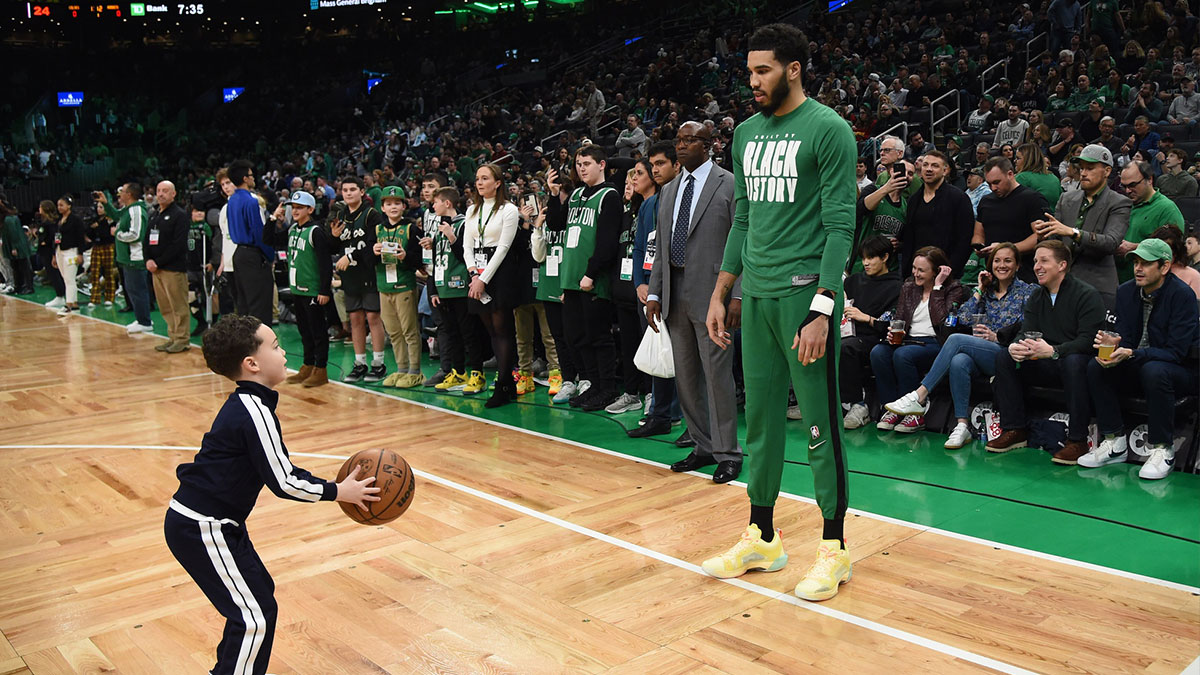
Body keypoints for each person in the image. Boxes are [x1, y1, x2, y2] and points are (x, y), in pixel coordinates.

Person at [702, 24, 858, 602]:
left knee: (819, 425)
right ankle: (763, 537)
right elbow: (742, 218)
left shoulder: (830, 130)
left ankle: (835, 548)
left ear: (793, 69)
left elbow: (843, 224)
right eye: (749, 72)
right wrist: (723, 290)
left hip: (805, 297)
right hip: (759, 295)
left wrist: (823, 309)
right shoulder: (744, 134)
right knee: (762, 423)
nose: (753, 81)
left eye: (762, 70)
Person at [164, 314, 379, 675]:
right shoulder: (253, 410)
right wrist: (339, 491)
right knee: (253, 618)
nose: (283, 353)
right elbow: (284, 480)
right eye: (276, 347)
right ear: (252, 364)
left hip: (216, 524)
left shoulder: (251, 404)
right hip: (203, 527)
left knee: (259, 598)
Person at [645, 120, 742, 483]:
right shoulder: (668, 189)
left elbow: (742, 241)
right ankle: (702, 445)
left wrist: (737, 295)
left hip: (715, 293)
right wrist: (655, 292)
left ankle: (728, 452)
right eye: (679, 140)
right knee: (686, 376)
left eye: (690, 141)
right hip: (674, 291)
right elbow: (662, 247)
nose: (682, 146)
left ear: (710, 145)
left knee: (717, 377)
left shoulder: (729, 183)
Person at [885, 243, 1035, 447]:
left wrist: (997, 337)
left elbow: (1029, 325)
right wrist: (980, 290)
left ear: (1017, 266)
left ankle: (919, 396)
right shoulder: (986, 292)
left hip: (1008, 354)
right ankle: (962, 425)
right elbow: (961, 317)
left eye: (1008, 261)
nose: (1001, 265)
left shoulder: (1029, 291)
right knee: (959, 361)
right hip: (981, 353)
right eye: (997, 261)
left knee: (955, 340)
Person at [1079, 238, 1198, 479]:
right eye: (1135, 262)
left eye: (1146, 263)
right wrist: (1113, 346)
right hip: (1140, 362)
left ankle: (1162, 449)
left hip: (1180, 370)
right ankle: (1114, 441)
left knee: (1155, 370)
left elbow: (1176, 352)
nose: (1138, 269)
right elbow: (1126, 337)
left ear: (1164, 267)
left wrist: (1132, 353)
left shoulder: (1182, 296)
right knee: (1096, 366)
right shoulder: (1126, 291)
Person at [986, 240, 1106, 463]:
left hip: (1074, 361)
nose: (1037, 266)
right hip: (1045, 359)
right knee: (1004, 356)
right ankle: (1015, 430)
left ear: (1061, 265)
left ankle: (1077, 440)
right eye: (1035, 261)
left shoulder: (1086, 294)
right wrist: (1016, 345)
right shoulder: (1036, 296)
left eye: (1043, 261)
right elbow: (1026, 331)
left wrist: (1055, 350)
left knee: (1075, 362)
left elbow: (1089, 341)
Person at [544, 146, 622, 411]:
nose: (581, 168)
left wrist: (590, 274)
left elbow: (608, 242)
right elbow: (555, 225)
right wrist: (554, 196)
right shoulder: (576, 194)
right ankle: (593, 385)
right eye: (578, 164)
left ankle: (608, 388)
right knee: (577, 337)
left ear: (601, 164)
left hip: (593, 281)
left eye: (587, 163)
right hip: (571, 280)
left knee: (599, 336)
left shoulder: (609, 195)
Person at [871, 246, 965, 432]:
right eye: (914, 268)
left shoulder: (954, 290)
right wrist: (894, 332)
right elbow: (900, 318)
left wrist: (937, 287)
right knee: (878, 352)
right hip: (909, 339)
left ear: (937, 271)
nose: (915, 273)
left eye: (921, 270)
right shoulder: (908, 287)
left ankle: (914, 414)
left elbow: (941, 321)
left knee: (903, 355)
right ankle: (891, 408)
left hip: (936, 343)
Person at [629, 141, 684, 436]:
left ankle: (680, 413)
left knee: (683, 356)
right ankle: (659, 413)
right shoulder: (650, 203)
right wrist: (641, 282)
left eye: (661, 163)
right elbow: (640, 248)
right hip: (650, 289)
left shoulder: (685, 199)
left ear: (677, 165)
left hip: (677, 288)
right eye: (652, 165)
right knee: (657, 352)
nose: (655, 170)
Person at [1033, 144, 1130, 308]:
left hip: (1098, 286)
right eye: (1082, 168)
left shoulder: (1119, 202)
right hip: (1062, 284)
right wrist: (1044, 235)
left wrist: (1073, 232)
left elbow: (1110, 243)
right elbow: (1055, 242)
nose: (1083, 173)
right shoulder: (1066, 199)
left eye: (1090, 168)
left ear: (1107, 171)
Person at [463, 164, 522, 407]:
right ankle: (506, 381)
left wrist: (484, 278)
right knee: (490, 330)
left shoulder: (509, 209)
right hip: (477, 270)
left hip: (499, 272)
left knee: (502, 329)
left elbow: (503, 248)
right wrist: (473, 273)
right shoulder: (472, 210)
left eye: (485, 178)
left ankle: (504, 383)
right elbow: (467, 245)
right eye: (477, 178)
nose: (479, 182)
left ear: (497, 182)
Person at [425, 186, 484, 393]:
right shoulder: (439, 227)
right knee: (451, 334)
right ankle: (458, 372)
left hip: (460, 288)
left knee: (469, 333)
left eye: (436, 201)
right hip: (443, 290)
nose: (433, 205)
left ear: (447, 203)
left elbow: (465, 256)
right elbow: (433, 262)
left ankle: (477, 373)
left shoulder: (462, 225)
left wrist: (452, 238)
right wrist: (433, 290)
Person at [839, 235, 901, 429]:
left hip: (875, 338)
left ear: (884, 257)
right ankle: (816, 400)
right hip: (846, 331)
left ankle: (857, 404)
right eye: (863, 257)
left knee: (847, 347)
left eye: (871, 258)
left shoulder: (897, 286)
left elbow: (892, 322)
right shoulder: (853, 281)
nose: (865, 262)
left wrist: (865, 317)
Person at [607, 164, 653, 415]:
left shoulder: (648, 209)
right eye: (627, 180)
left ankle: (650, 393)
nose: (630, 183)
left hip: (643, 290)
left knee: (648, 346)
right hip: (624, 290)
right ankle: (631, 392)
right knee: (628, 345)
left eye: (635, 178)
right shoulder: (625, 213)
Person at [369, 185, 425, 388]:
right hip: (384, 285)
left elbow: (420, 259)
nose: (393, 207)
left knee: (409, 330)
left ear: (404, 206)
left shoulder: (411, 228)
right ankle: (401, 368)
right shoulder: (377, 230)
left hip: (404, 286)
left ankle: (415, 371)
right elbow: (369, 259)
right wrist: (373, 252)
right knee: (393, 331)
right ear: (382, 207)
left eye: (397, 203)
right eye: (388, 204)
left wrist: (405, 256)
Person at [334, 176, 387, 384]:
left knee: (373, 318)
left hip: (368, 272)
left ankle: (379, 363)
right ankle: (359, 363)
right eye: (345, 190)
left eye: (352, 189)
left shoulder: (371, 215)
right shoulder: (341, 216)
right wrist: (332, 235)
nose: (348, 193)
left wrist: (352, 257)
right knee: (355, 319)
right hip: (350, 275)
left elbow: (375, 245)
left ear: (362, 191)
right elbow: (334, 246)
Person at [277, 191, 333, 388]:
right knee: (304, 330)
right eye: (294, 207)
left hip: (313, 290)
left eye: (300, 208)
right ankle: (308, 365)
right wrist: (273, 219)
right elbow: (270, 239)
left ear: (310, 209)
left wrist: (324, 290)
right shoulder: (292, 228)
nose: (296, 211)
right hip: (296, 288)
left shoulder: (316, 231)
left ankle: (321, 369)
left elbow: (326, 263)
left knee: (317, 331)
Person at [900, 150, 975, 276]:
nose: (929, 169)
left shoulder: (958, 198)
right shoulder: (913, 199)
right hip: (915, 272)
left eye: (935, 166)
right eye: (925, 165)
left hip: (945, 272)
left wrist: (951, 271)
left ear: (945, 171)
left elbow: (964, 239)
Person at [975, 157, 1050, 281]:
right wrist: (980, 247)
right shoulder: (985, 201)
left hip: (1024, 274)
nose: (993, 188)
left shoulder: (1032, 199)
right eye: (989, 184)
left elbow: (1041, 236)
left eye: (997, 182)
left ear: (1010, 174)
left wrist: (1006, 249)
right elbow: (978, 233)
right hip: (993, 274)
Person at [1115, 161, 1185, 284]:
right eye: (1124, 186)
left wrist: (1135, 247)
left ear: (1150, 180)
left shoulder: (1167, 209)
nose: (1127, 191)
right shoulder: (1122, 205)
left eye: (1132, 185)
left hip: (1149, 285)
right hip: (1118, 282)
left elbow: (1174, 250)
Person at [226, 160, 275, 326]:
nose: (253, 178)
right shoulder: (251, 201)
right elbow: (258, 233)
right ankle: (262, 347)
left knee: (243, 305)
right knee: (259, 305)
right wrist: (270, 255)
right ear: (245, 179)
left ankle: (245, 345)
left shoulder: (231, 200)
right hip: (253, 255)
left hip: (238, 254)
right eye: (251, 175)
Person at [100, 185, 153, 333]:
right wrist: (105, 203)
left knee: (138, 291)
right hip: (127, 258)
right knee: (132, 290)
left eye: (122, 192)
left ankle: (145, 322)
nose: (119, 194)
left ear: (129, 194)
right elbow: (116, 215)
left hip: (135, 258)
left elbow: (136, 234)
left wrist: (117, 233)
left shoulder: (136, 210)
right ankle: (141, 318)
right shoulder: (129, 209)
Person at [145, 181, 191, 351]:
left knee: (178, 305)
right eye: (158, 191)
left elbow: (178, 244)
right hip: (156, 269)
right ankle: (172, 336)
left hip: (173, 268)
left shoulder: (179, 215)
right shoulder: (154, 214)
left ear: (174, 194)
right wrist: (148, 260)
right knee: (165, 306)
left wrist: (158, 261)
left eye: (165, 191)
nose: (161, 194)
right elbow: (146, 240)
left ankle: (181, 339)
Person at [52, 195, 86, 316]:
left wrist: (80, 254)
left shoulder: (76, 220)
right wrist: (54, 255)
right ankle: (75, 304)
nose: (59, 207)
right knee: (65, 278)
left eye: (62, 205)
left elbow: (80, 238)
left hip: (71, 251)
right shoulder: (59, 221)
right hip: (60, 251)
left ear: (69, 205)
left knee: (69, 279)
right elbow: (56, 238)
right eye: (58, 205)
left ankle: (69, 304)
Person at [85, 196, 118, 306]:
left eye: (101, 207)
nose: (99, 209)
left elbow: (108, 233)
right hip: (96, 246)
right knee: (94, 272)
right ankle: (94, 298)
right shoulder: (94, 220)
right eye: (98, 207)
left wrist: (98, 227)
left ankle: (110, 297)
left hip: (108, 246)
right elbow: (88, 232)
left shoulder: (110, 220)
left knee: (108, 272)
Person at [35, 200, 66, 308]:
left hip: (50, 251)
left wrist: (53, 250)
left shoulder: (52, 223)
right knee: (51, 273)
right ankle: (60, 295)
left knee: (54, 273)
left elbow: (57, 237)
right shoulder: (44, 222)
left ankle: (60, 296)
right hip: (45, 251)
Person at [1, 195, 33, 294]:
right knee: (15, 266)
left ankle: (29, 287)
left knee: (24, 266)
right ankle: (18, 286)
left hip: (18, 246)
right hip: (12, 245)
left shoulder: (9, 219)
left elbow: (13, 234)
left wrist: (14, 247)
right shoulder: (6, 219)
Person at [1014, 143, 1062, 208]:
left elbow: (1014, 205)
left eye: (1018, 158)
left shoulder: (1022, 177)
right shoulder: (1054, 178)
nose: (1015, 161)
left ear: (1028, 160)